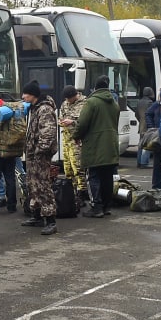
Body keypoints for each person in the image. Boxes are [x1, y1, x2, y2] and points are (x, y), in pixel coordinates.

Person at [74, 76, 122, 217]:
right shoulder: (114, 103)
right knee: (107, 177)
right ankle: (107, 206)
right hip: (111, 144)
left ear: (95, 88)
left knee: (94, 175)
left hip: (95, 144)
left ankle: (97, 206)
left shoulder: (91, 102)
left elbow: (82, 123)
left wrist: (76, 136)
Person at [20, 80, 59, 235]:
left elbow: (48, 133)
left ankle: (50, 220)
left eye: (25, 94)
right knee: (32, 184)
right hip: (33, 154)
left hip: (40, 155)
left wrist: (39, 151)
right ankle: (36, 215)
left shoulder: (44, 109)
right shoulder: (35, 108)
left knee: (42, 186)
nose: (23, 96)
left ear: (33, 95)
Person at [58, 85, 88, 199]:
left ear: (74, 96)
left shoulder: (84, 103)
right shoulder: (64, 104)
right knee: (68, 168)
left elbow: (84, 121)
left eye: (68, 98)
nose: (67, 101)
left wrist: (73, 122)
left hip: (77, 141)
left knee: (78, 167)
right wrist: (61, 122)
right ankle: (71, 191)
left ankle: (82, 191)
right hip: (66, 139)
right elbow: (60, 117)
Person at [143, 87, 161, 191]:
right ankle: (157, 187)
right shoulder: (157, 105)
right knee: (158, 164)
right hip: (159, 138)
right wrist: (151, 127)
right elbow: (148, 114)